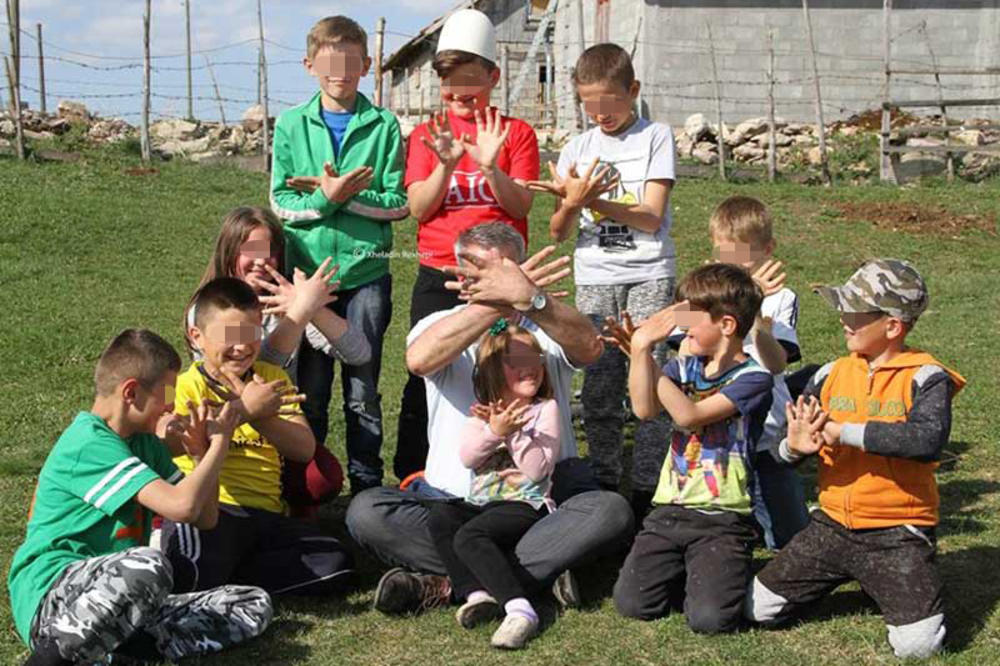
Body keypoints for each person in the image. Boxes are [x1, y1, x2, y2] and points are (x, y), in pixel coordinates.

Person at [347, 223, 633, 616]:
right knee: (367, 512)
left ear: (522, 269)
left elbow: (591, 347)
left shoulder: (544, 325)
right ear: (461, 273)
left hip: (539, 503)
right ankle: (532, 573)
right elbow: (419, 360)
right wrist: (498, 304)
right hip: (453, 502)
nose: (496, 281)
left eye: (505, 272)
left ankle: (454, 583)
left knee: (608, 511)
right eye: (482, 271)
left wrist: (534, 300)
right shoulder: (438, 324)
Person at [8, 329, 272, 666]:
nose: (172, 407)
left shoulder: (144, 443)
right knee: (149, 566)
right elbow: (183, 505)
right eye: (166, 397)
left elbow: (204, 518)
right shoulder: (88, 444)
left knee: (250, 602)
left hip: (117, 597)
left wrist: (200, 455)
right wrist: (220, 445)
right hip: (55, 601)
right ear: (131, 392)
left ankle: (122, 653)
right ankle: (51, 660)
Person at [745, 259, 966, 659]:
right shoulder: (828, 374)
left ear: (893, 326)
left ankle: (904, 581)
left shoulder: (927, 376)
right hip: (829, 527)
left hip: (898, 532)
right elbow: (785, 454)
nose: (843, 320)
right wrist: (794, 448)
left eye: (855, 313)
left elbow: (926, 440)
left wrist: (844, 431)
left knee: (917, 648)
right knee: (756, 610)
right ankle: (868, 580)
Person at [528, 42, 677, 516]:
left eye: (608, 103)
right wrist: (570, 203)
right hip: (595, 276)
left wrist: (592, 201)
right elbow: (557, 229)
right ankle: (606, 483)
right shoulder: (577, 147)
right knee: (598, 383)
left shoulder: (656, 137)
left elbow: (651, 217)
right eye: (588, 105)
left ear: (631, 91)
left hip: (648, 272)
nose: (599, 114)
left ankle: (649, 486)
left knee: (649, 375)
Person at [395, 8, 540, 482]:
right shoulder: (426, 135)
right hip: (441, 272)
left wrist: (492, 166)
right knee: (427, 371)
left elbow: (521, 204)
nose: (459, 98)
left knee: (504, 366)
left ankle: (510, 461)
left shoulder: (515, 133)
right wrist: (445, 165)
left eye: (469, 87)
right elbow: (418, 207)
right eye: (449, 89)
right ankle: (414, 470)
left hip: (499, 275)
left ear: (493, 77)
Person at [270, 15, 408, 494]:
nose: (340, 72)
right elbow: (280, 204)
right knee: (309, 388)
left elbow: (399, 203)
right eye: (330, 61)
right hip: (308, 279)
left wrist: (340, 196)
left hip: (366, 274)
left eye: (351, 62)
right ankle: (307, 484)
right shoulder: (290, 125)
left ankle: (366, 487)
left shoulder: (384, 125)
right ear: (310, 65)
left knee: (363, 388)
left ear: (367, 65)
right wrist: (325, 201)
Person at [163, 277, 354, 597]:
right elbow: (166, 436)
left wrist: (264, 414)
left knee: (338, 562)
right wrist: (245, 410)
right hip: (213, 511)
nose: (242, 347)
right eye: (228, 336)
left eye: (251, 334)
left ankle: (230, 579)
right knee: (192, 571)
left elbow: (304, 449)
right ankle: (220, 577)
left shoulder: (272, 378)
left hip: (266, 517)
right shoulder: (179, 385)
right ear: (197, 337)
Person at [613, 264, 774, 634]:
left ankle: (720, 574)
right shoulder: (683, 367)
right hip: (670, 510)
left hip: (723, 519)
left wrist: (646, 352)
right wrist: (640, 356)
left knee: (710, 620)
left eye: (691, 318)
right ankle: (696, 573)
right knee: (633, 604)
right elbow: (644, 409)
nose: (682, 327)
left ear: (727, 325)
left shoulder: (753, 379)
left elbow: (689, 417)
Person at [185, 205, 372, 510]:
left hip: (281, 422)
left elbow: (359, 353)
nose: (261, 261)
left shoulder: (287, 299)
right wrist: (297, 317)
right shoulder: (207, 307)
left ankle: (292, 510)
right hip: (228, 420)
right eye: (250, 250)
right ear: (229, 252)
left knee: (323, 478)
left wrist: (311, 307)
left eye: (269, 251)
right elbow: (243, 369)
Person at [427, 322, 560, 649]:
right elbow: (469, 458)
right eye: (517, 361)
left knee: (471, 536)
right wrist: (493, 430)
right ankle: (477, 594)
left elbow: (537, 471)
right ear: (492, 372)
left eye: (536, 358)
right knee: (441, 517)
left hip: (525, 505)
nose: (530, 368)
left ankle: (520, 609)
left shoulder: (545, 410)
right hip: (481, 504)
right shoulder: (481, 416)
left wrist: (512, 433)